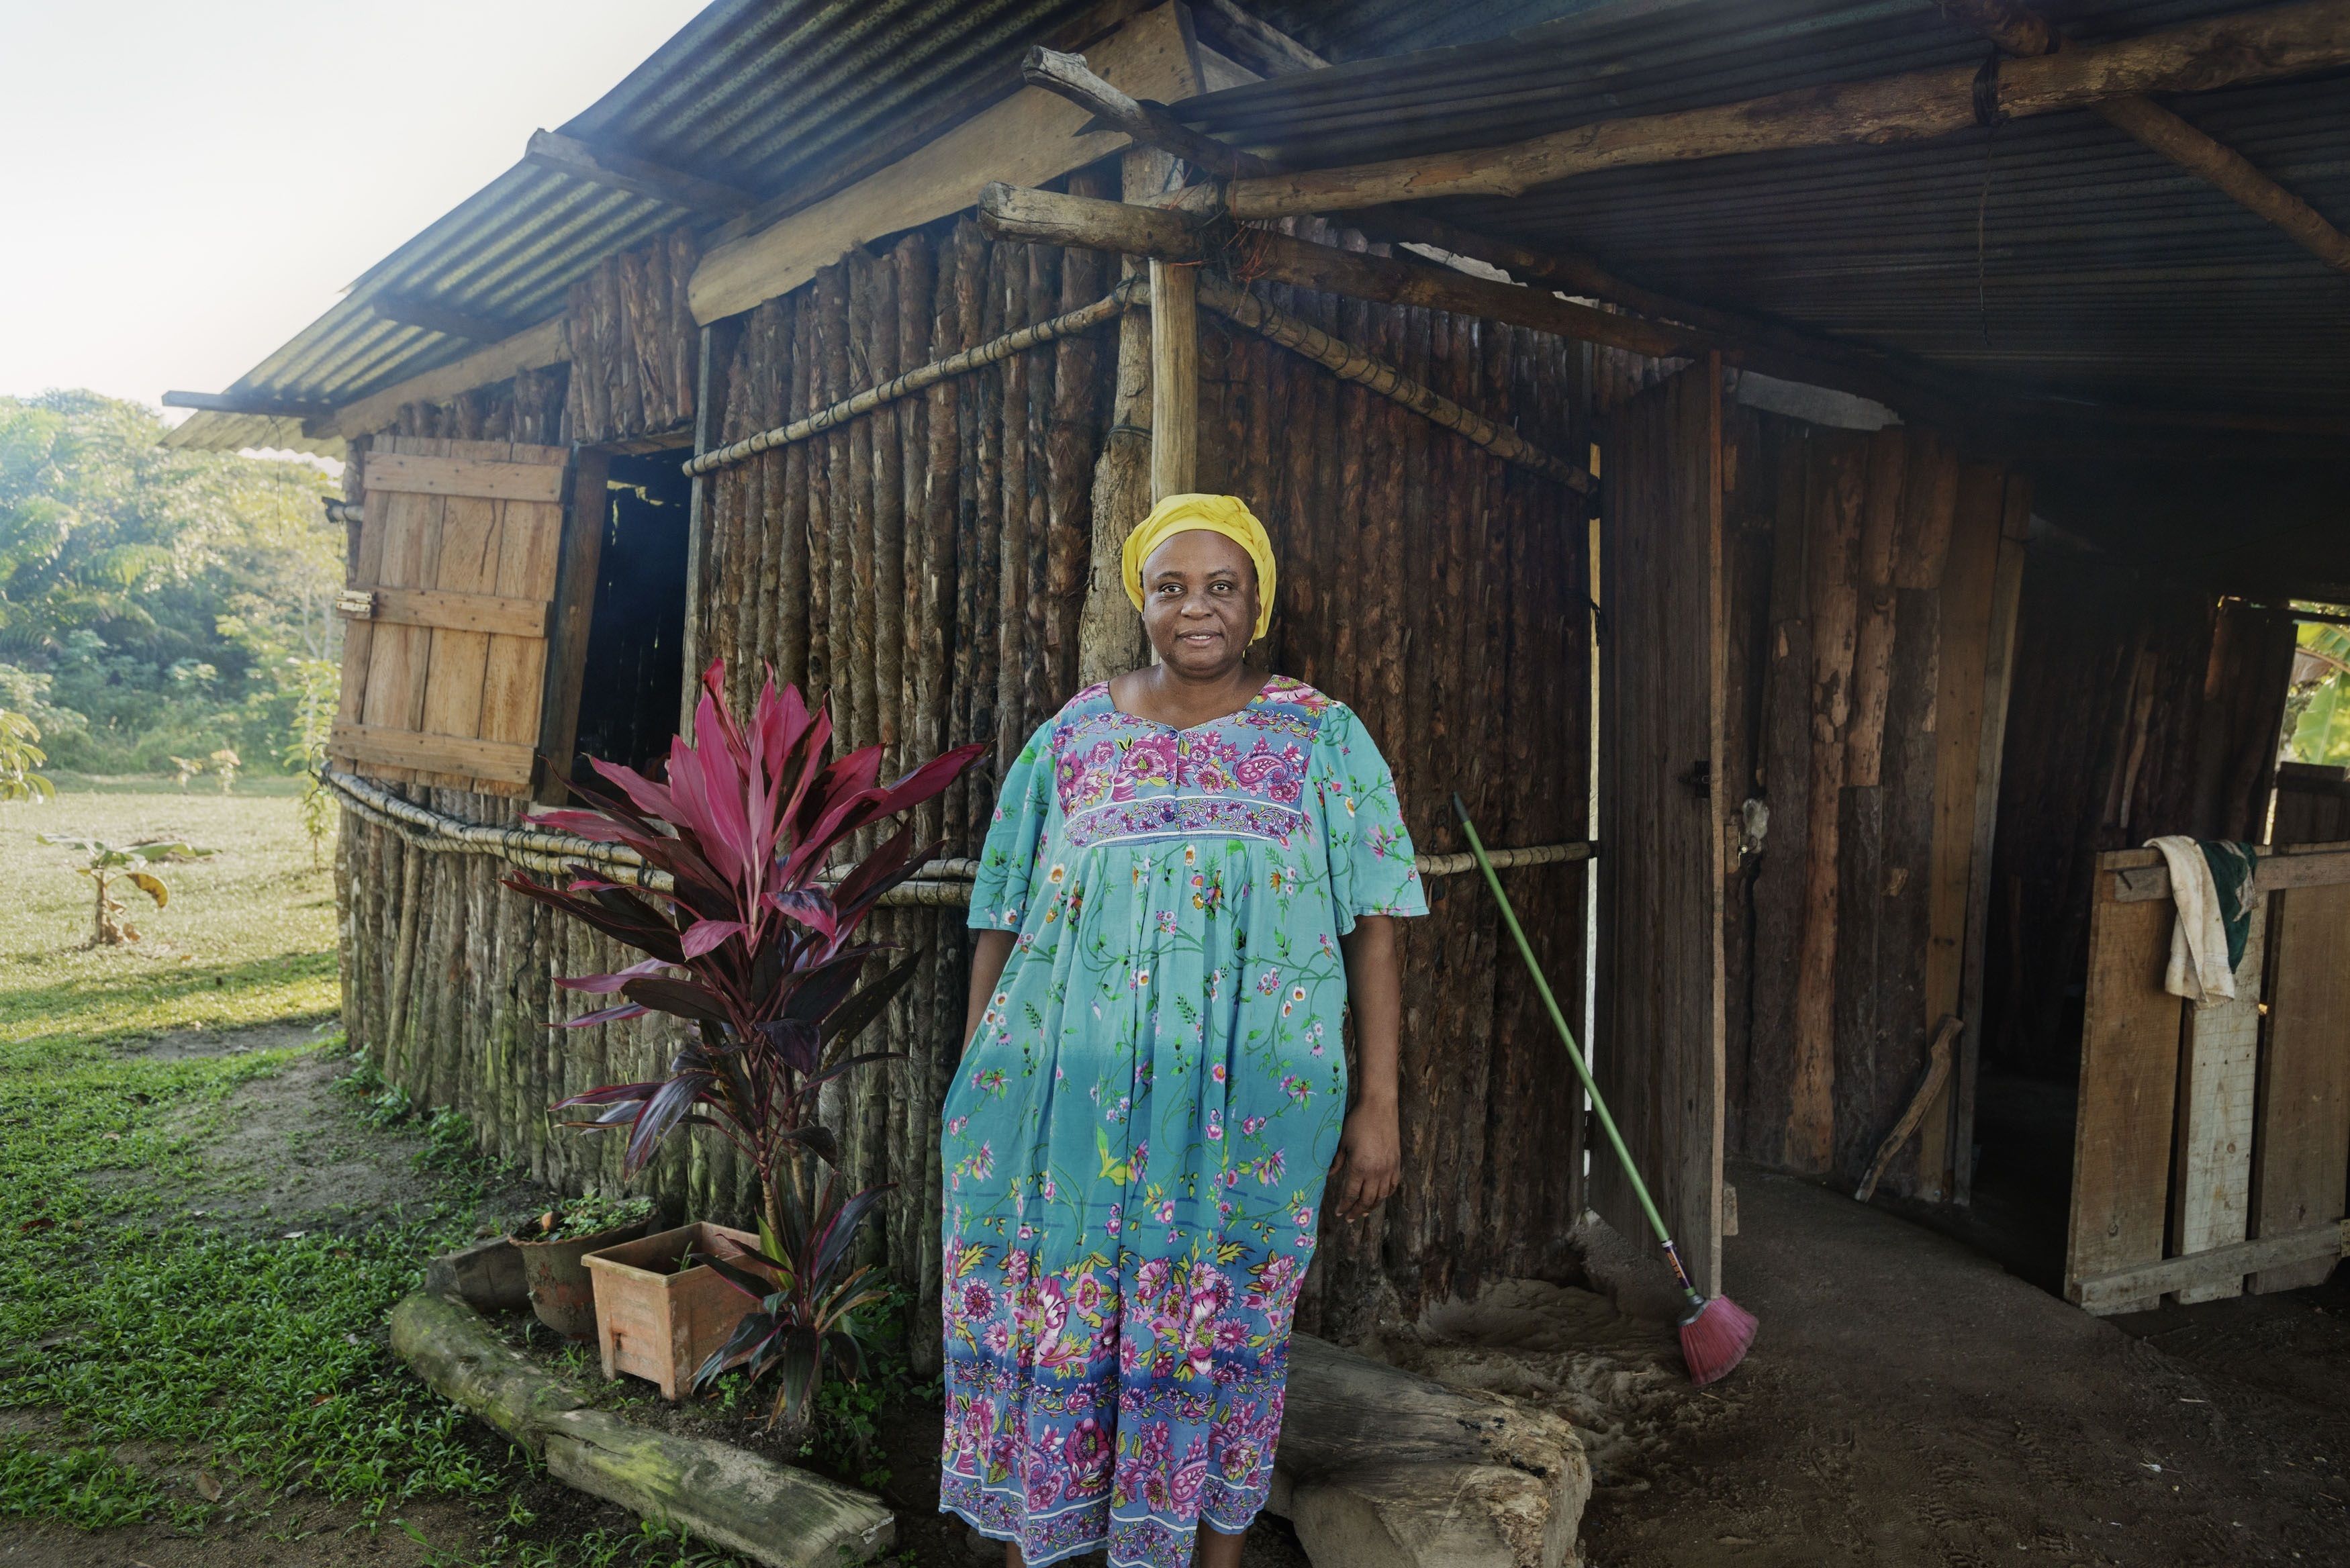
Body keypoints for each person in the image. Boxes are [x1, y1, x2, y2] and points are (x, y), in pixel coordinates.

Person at [937, 493, 1425, 1568]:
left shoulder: (1322, 738)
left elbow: (1375, 931)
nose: (1196, 609)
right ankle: (1039, 1542)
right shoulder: (1072, 737)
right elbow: (1000, 919)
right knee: (1057, 1324)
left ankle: (1211, 1559)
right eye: (1171, 587)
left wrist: (1378, 1106)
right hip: (1068, 1116)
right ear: (1140, 602)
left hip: (1252, 1112)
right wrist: (983, 1073)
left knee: (1222, 1335)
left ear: (1258, 601)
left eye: (1222, 586)